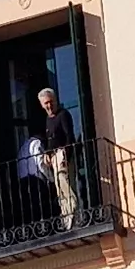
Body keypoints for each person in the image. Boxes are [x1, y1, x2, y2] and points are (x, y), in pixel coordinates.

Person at [31, 85, 87, 228]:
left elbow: (69, 136)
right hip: (55, 157)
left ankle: (75, 211)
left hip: (63, 156)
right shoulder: (48, 120)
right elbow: (51, 140)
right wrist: (48, 154)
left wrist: (66, 157)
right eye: (46, 103)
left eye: (51, 102)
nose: (49, 105)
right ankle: (67, 216)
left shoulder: (64, 115)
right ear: (42, 105)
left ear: (55, 101)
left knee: (67, 183)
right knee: (59, 187)